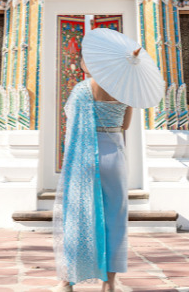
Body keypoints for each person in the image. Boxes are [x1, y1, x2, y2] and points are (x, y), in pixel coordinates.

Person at [52, 57, 133, 292]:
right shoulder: (126, 89)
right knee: (115, 219)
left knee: (78, 216)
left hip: (86, 157)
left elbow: (72, 121)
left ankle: (66, 282)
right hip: (114, 155)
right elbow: (125, 126)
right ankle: (109, 284)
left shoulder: (82, 89)